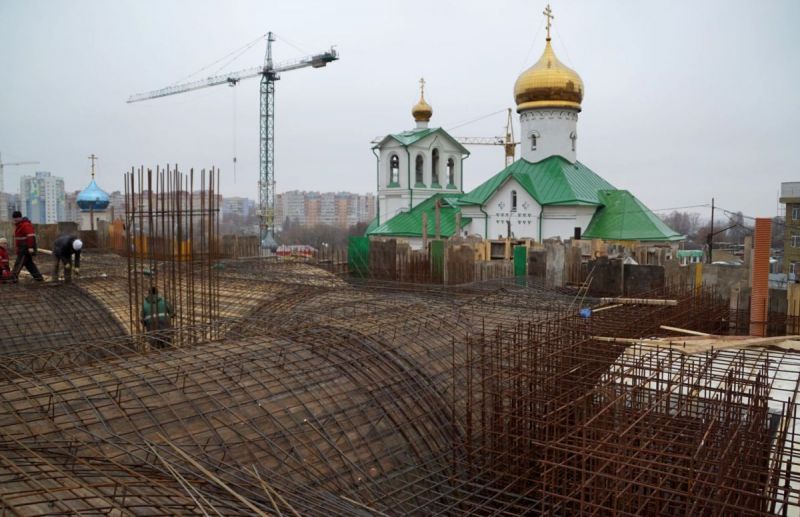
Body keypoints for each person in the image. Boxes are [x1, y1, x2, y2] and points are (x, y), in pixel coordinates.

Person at [10, 210, 43, 282]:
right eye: (14, 218)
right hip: (22, 248)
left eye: (16, 218)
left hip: (25, 248)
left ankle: (13, 278)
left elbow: (30, 236)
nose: (15, 219)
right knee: (29, 264)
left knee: (19, 263)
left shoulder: (25, 225)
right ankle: (38, 278)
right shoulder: (19, 225)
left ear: (20, 217)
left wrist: (30, 247)